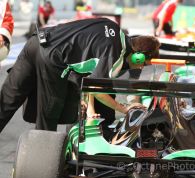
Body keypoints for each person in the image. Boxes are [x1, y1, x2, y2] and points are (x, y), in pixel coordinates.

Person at [0, 18, 160, 133]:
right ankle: (39, 169)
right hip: (52, 59)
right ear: (138, 56)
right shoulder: (115, 55)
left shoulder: (111, 25)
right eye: (144, 63)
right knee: (49, 116)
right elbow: (97, 90)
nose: (141, 66)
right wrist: (123, 109)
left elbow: (89, 77)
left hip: (35, 42)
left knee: (6, 101)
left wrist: (89, 108)